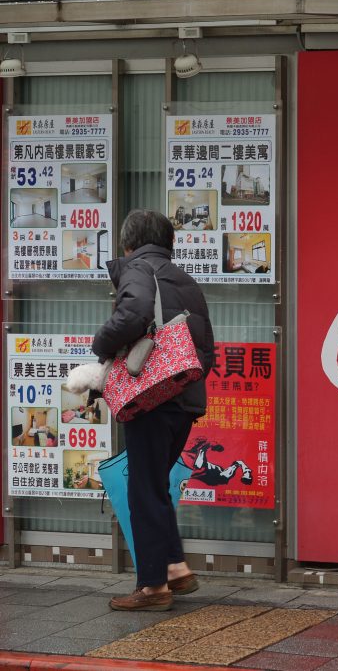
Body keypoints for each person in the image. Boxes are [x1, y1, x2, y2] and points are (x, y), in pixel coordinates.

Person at [93, 209, 215, 612]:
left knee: (143, 489)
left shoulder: (138, 269)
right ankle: (176, 568)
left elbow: (132, 314)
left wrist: (101, 345)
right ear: (169, 242)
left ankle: (152, 587)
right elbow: (206, 349)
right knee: (155, 484)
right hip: (183, 397)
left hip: (152, 396)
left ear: (128, 243)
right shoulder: (185, 280)